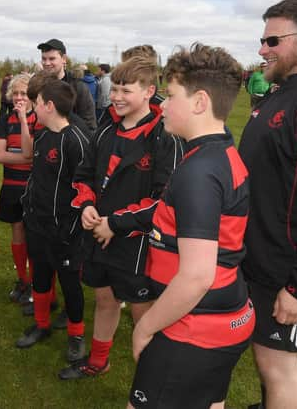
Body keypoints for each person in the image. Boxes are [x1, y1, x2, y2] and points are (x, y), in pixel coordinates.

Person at [125, 43, 254, 409]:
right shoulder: (224, 151)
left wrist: (145, 326)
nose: (162, 105)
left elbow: (197, 276)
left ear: (199, 102)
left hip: (194, 328)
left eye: (170, 95)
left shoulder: (199, 171)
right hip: (225, 318)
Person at [59, 56, 182, 380]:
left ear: (149, 91)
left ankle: (153, 382)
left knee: (143, 314)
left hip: (138, 243)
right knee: (104, 297)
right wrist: (86, 205)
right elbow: (84, 175)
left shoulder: (164, 137)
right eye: (114, 89)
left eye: (126, 90)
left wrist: (115, 224)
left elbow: (164, 200)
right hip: (100, 234)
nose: (116, 96)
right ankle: (99, 361)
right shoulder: (105, 130)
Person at [238, 0, 297, 409]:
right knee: (267, 363)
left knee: (280, 368)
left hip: (288, 271)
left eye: (272, 40)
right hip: (259, 260)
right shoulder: (279, 94)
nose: (262, 48)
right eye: (262, 39)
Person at [15, 79, 89, 365]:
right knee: (41, 278)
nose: (33, 107)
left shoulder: (76, 140)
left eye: (37, 103)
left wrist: (73, 225)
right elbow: (37, 176)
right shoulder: (43, 136)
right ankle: (42, 325)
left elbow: (85, 187)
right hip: (37, 225)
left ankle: (76, 336)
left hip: (66, 231)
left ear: (49, 106)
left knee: (71, 285)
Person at [0, 73, 37, 305]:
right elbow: (0, 156)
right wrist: (26, 158)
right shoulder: (3, 120)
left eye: (24, 93)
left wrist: (22, 121)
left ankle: (35, 281)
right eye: (16, 93)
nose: (19, 98)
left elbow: (31, 153)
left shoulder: (39, 119)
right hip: (11, 185)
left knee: (33, 235)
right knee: (17, 231)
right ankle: (22, 280)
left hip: (33, 187)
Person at [37, 39, 97, 131]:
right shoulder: (39, 86)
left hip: (71, 142)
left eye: (52, 59)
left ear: (64, 59)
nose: (47, 63)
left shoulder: (78, 87)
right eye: (44, 59)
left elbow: (89, 124)